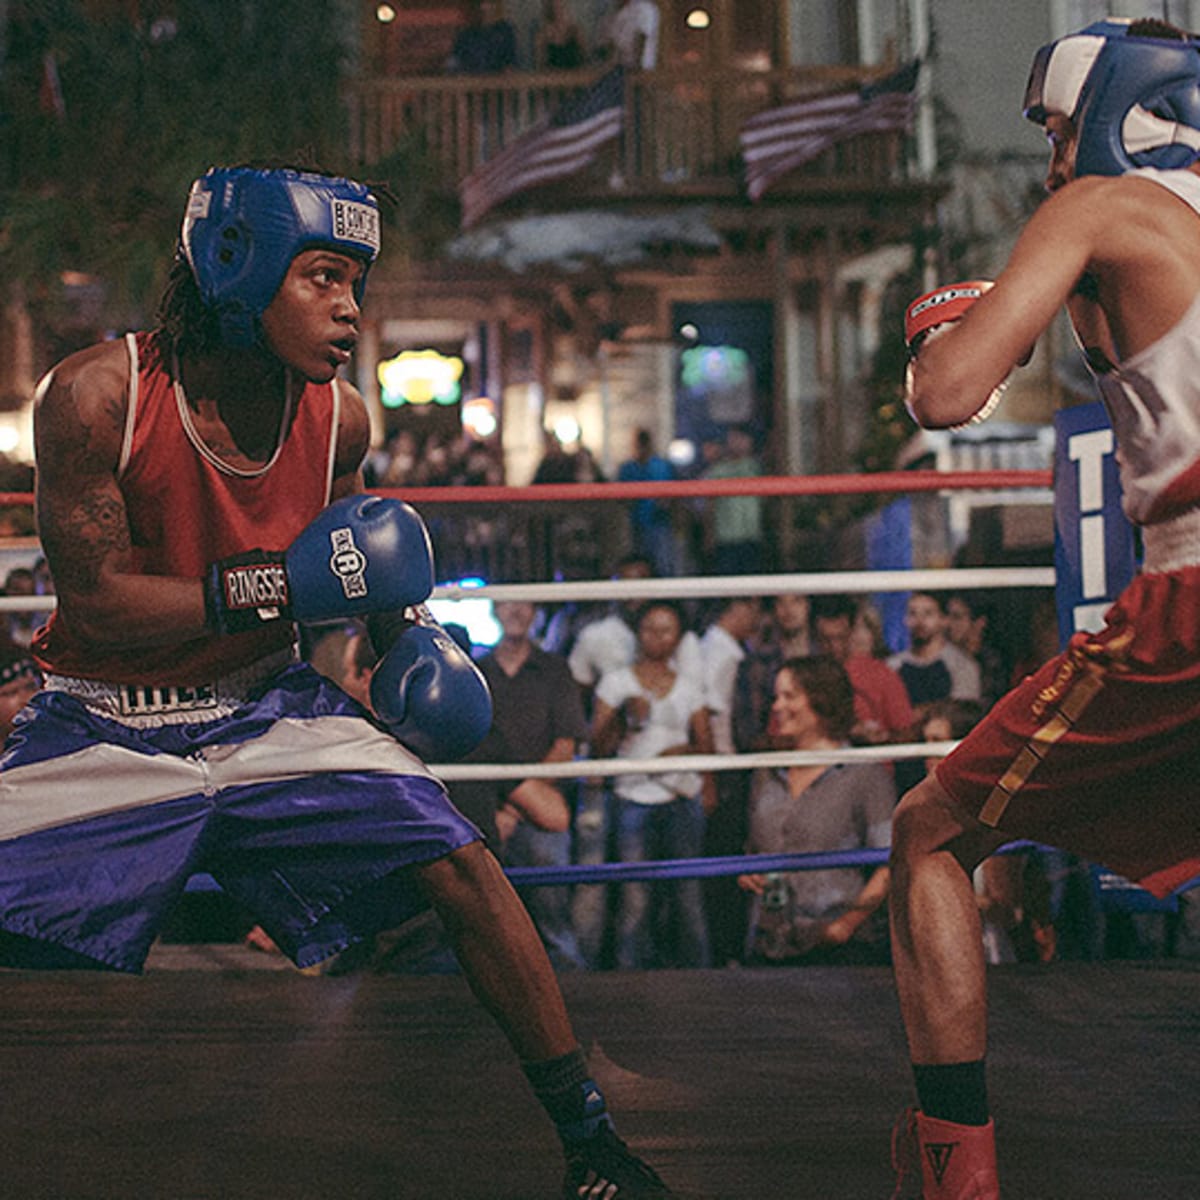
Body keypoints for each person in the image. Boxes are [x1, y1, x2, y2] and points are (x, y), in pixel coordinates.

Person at [6, 165, 671, 1198]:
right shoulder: (100, 394)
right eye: (323, 276)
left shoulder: (343, 419)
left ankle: (593, 1143)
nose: (351, 308)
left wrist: (405, 635)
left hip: (265, 705)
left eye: (355, 280)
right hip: (104, 720)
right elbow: (96, 604)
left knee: (465, 863)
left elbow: (353, 558)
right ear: (239, 265)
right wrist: (278, 584)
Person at [890, 18, 1200, 1196]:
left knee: (932, 834)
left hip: (1190, 599)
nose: (1054, 159)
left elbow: (951, 394)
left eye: (1063, 128)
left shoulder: (1098, 211)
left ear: (1126, 106)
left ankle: (957, 1181)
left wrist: (939, 341)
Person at [736, 657, 894, 965]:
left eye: (789, 696)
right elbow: (755, 848)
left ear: (821, 700)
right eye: (776, 696)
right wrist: (748, 872)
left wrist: (845, 926)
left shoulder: (864, 773)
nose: (777, 706)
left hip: (837, 948)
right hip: (769, 942)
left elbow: (888, 862)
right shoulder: (766, 772)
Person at [591, 600, 714, 969]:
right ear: (637, 633)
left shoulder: (690, 687)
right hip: (632, 795)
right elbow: (597, 746)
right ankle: (631, 979)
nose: (657, 637)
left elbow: (707, 746)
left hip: (680, 795)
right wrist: (624, 718)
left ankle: (703, 979)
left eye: (666, 630)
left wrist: (683, 751)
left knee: (688, 893)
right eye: (650, 629)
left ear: (677, 638)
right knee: (635, 896)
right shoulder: (616, 683)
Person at [470, 599, 589, 971]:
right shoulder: (474, 671)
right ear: (495, 610)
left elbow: (566, 744)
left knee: (553, 920)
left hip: (529, 810)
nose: (517, 612)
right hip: (486, 809)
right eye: (509, 604)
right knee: (484, 920)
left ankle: (572, 997)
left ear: (537, 612)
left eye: (525, 604)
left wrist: (515, 806)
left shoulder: (555, 670)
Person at [810, 592, 915, 747]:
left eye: (840, 638)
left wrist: (882, 737)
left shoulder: (881, 674)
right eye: (825, 640)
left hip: (871, 764)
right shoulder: (803, 676)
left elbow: (906, 732)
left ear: (852, 633)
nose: (833, 647)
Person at [617, 427, 680, 577]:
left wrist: (666, 504)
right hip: (636, 524)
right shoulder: (628, 468)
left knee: (663, 564)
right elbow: (620, 496)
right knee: (637, 564)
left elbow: (673, 494)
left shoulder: (661, 466)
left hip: (660, 523)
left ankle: (664, 598)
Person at [447, 0, 518, 73]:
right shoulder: (465, 34)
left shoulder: (505, 31)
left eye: (489, 4)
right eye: (480, 4)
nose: (484, 8)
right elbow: (454, 61)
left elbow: (510, 62)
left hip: (497, 81)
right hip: (470, 80)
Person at [601, 0, 659, 70]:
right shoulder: (614, 12)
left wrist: (636, 69)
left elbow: (642, 38)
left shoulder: (643, 8)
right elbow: (610, 41)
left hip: (636, 68)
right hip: (618, 66)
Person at [535, 0, 586, 69]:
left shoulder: (576, 32)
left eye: (563, 7)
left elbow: (585, 62)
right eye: (557, 7)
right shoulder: (542, 36)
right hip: (554, 78)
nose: (561, 11)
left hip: (576, 77)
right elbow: (539, 67)